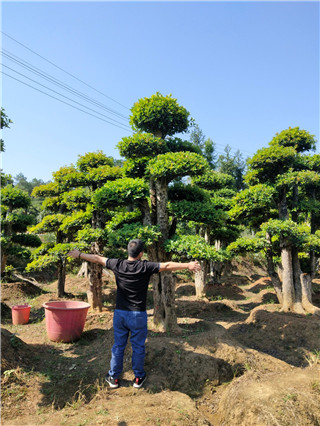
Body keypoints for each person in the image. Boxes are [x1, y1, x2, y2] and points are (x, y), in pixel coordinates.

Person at [68, 239, 201, 389]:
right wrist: (188, 265)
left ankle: (113, 377)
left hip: (120, 314)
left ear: (128, 251)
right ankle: (138, 378)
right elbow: (167, 265)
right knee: (138, 346)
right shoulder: (145, 266)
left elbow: (97, 258)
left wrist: (79, 255)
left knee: (118, 346)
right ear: (141, 253)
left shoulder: (117, 264)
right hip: (137, 315)